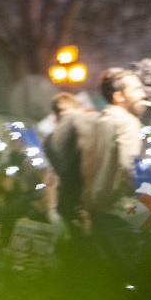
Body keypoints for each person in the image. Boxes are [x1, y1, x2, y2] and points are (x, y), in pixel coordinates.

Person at [77, 67, 148, 216]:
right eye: (136, 90)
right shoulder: (127, 121)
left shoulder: (99, 120)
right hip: (119, 210)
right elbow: (130, 167)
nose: (143, 94)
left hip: (95, 209)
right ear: (119, 97)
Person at [43, 92, 96, 222]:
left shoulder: (48, 139)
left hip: (66, 201)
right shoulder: (86, 121)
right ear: (79, 107)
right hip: (90, 202)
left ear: (55, 114)